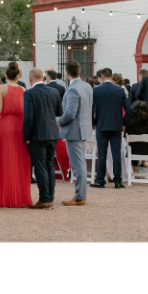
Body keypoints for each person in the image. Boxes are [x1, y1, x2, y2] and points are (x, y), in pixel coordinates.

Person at [0, 62, 32, 208]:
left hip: (6, 126)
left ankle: (7, 197)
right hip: (20, 126)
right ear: (18, 76)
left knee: (6, 160)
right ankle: (20, 196)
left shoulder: (1, 89)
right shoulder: (23, 89)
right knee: (20, 161)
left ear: (5, 75)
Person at [20, 67, 61, 209]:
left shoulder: (29, 93)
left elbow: (28, 117)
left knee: (40, 166)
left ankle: (44, 198)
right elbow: (58, 112)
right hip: (52, 133)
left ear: (30, 79)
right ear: (43, 78)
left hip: (37, 134)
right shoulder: (54, 91)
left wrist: (26, 135)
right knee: (49, 164)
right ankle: (50, 197)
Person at [57, 61, 94, 207]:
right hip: (83, 128)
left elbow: (69, 114)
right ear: (79, 71)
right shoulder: (87, 86)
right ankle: (80, 195)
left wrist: (58, 121)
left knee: (77, 164)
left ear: (67, 73)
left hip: (74, 130)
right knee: (80, 162)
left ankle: (80, 196)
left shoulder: (73, 89)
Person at [92, 69, 127, 188]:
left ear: (101, 77)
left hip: (101, 125)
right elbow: (128, 108)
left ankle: (100, 180)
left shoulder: (96, 90)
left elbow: (91, 108)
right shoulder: (120, 90)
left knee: (102, 154)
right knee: (116, 154)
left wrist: (93, 123)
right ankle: (117, 181)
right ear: (112, 77)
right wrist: (124, 122)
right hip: (116, 125)